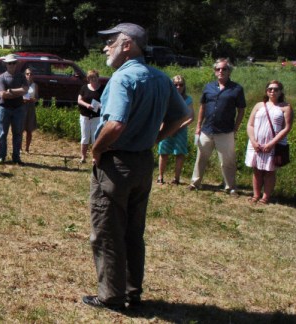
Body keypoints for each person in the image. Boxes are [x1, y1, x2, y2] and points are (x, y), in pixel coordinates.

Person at [83, 23, 191, 311]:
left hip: (117, 164)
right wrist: (154, 138)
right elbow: (183, 115)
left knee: (107, 230)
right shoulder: (161, 78)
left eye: (111, 42)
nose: (106, 47)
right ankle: (132, 291)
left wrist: (97, 148)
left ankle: (111, 296)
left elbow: (116, 123)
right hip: (143, 162)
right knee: (133, 230)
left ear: (127, 45)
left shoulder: (122, 79)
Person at [189, 58, 246, 194]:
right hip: (207, 130)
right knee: (201, 158)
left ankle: (230, 187)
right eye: (218, 69)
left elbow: (241, 109)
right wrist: (198, 126)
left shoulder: (236, 89)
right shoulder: (208, 87)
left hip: (226, 131)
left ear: (229, 71)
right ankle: (195, 183)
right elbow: (202, 106)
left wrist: (236, 127)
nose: (221, 71)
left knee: (227, 161)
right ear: (215, 72)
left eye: (224, 69)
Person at [245, 80, 293, 204]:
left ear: (280, 91)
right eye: (270, 89)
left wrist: (271, 144)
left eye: (276, 89)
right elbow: (250, 125)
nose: (272, 91)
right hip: (256, 143)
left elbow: (287, 128)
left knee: (269, 171)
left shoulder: (285, 107)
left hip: (273, 144)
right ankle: (256, 195)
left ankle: (265, 197)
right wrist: (253, 141)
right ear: (266, 91)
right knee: (256, 169)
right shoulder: (259, 105)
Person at [157, 75, 194, 184]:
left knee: (180, 153)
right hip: (166, 128)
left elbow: (191, 118)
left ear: (184, 86)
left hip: (181, 131)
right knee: (163, 153)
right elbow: (161, 114)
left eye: (181, 84)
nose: (178, 87)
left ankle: (176, 179)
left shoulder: (188, 99)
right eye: (175, 85)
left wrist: (178, 127)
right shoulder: (167, 97)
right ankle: (160, 177)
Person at [0, 54, 28, 165]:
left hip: (18, 108)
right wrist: (18, 92)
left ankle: (16, 157)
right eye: (10, 63)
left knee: (18, 133)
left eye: (14, 63)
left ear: (17, 64)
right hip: (4, 108)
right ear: (6, 64)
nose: (12, 65)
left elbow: (25, 90)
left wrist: (11, 91)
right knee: (2, 134)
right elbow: (2, 94)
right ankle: (1, 156)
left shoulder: (21, 76)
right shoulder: (1, 77)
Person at [76, 70, 104, 163]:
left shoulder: (102, 89)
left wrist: (100, 106)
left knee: (95, 138)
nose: (93, 79)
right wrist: (87, 105)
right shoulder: (84, 87)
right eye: (90, 77)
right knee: (84, 137)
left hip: (97, 117)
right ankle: (83, 157)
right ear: (88, 79)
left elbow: (106, 101)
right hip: (85, 116)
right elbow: (79, 100)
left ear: (97, 77)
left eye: (94, 77)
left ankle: (94, 158)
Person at [22, 67, 38, 154]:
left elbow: (37, 98)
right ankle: (19, 148)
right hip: (22, 107)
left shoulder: (35, 85)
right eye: (27, 74)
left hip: (31, 108)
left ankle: (27, 149)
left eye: (31, 74)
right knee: (20, 129)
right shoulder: (22, 84)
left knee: (29, 129)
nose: (29, 75)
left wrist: (33, 99)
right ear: (25, 75)